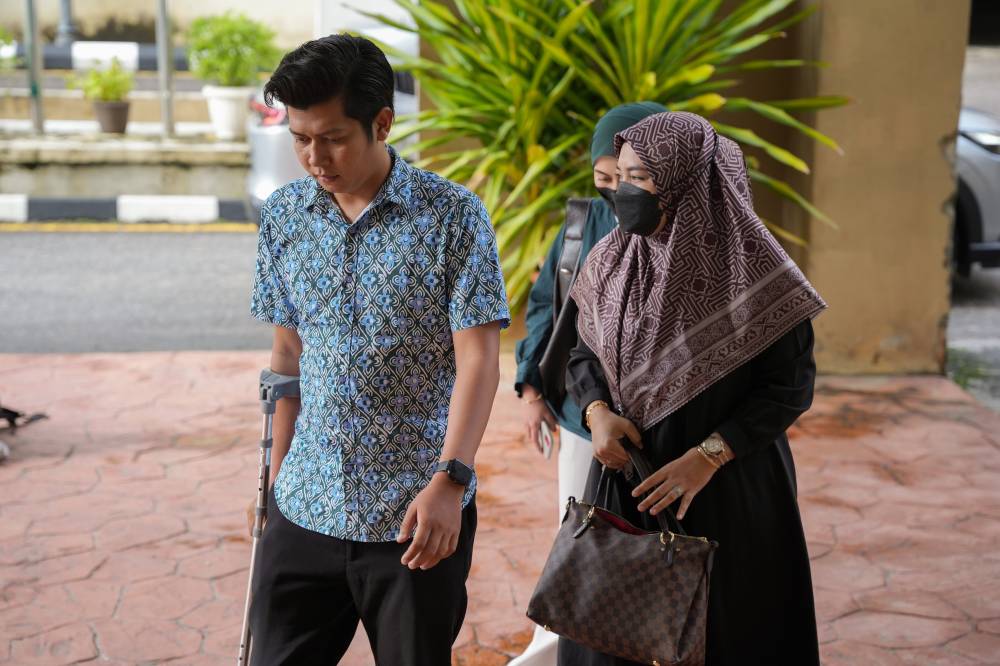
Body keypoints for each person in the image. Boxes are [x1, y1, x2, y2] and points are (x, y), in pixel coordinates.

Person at [247, 34, 510, 665]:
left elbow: (479, 359)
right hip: (304, 506)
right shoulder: (284, 216)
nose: (315, 156)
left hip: (415, 518)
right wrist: (276, 487)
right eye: (301, 138)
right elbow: (287, 357)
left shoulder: (453, 217)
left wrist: (452, 480)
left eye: (333, 137)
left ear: (382, 123)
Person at [563, 111, 827, 665]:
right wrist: (595, 413)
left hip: (728, 492)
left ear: (690, 181)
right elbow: (583, 351)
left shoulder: (758, 274)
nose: (626, 191)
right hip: (627, 483)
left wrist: (707, 457)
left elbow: (789, 387)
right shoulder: (612, 260)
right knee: (613, 635)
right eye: (622, 176)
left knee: (726, 634)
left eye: (641, 178)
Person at [510, 102, 666, 666]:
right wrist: (532, 390)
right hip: (584, 411)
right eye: (603, 180)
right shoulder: (582, 225)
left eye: (628, 179)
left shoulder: (686, 226)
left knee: (662, 542)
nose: (615, 193)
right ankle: (558, 648)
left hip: (664, 422)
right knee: (582, 530)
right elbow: (550, 306)